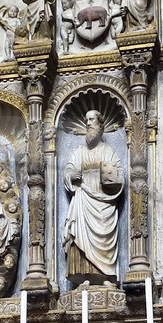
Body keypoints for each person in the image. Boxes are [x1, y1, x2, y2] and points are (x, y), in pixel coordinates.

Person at [62, 110, 124, 284]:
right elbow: (68, 170)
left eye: (92, 120)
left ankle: (106, 276)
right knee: (80, 235)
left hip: (102, 201)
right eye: (86, 120)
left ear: (100, 125)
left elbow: (118, 176)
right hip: (82, 200)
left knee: (103, 233)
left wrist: (113, 181)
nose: (88, 124)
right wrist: (72, 176)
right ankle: (84, 276)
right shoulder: (79, 152)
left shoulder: (108, 151)